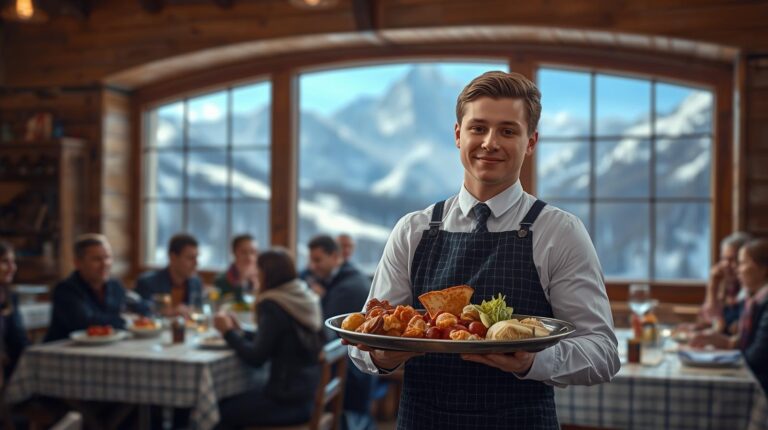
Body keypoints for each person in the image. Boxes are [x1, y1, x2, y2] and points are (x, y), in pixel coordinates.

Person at [349, 71, 619, 429]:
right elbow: (362, 340)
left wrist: (530, 362)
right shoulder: (413, 230)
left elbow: (602, 352)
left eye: (508, 131)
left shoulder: (558, 231)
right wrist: (383, 355)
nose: (490, 142)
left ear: (531, 141)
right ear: (458, 135)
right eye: (478, 128)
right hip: (422, 421)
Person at [214, 248, 325, 429]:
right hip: (306, 397)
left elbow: (256, 358)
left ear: (267, 274)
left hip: (285, 402)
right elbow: (279, 338)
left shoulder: (272, 304)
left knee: (219, 410)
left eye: (258, 269)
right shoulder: (301, 295)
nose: (255, 274)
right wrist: (240, 331)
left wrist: (227, 333)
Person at [305, 235, 375, 430]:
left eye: (318, 260)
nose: (313, 266)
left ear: (335, 256)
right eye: (311, 260)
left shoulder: (347, 288)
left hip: (354, 371)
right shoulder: (345, 276)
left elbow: (327, 335)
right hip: (356, 365)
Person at [691, 238, 768, 394]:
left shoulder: (761, 303)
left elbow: (755, 359)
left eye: (743, 263)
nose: (737, 269)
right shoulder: (752, 300)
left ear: (764, 269)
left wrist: (728, 344)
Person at [44, 234, 134, 342]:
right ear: (78, 263)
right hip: (65, 353)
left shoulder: (115, 285)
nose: (105, 264)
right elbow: (85, 322)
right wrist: (123, 320)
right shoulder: (65, 290)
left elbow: (135, 308)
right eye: (97, 259)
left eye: (107, 257)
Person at [136, 233, 203, 316]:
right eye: (190, 258)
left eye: (196, 257)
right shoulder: (147, 282)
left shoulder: (196, 282)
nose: (196, 263)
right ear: (173, 257)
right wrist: (167, 312)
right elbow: (139, 310)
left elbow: (199, 311)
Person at [698, 232, 752, 334]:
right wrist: (712, 287)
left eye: (732, 259)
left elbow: (729, 329)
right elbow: (708, 320)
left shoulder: (751, 290)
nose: (726, 265)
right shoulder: (726, 287)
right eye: (724, 259)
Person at [0, 241, 28, 378]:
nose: (12, 268)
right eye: (5, 262)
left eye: (13, 262)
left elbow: (18, 337)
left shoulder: (10, 297)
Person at [214, 234, 259, 303]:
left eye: (253, 252)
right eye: (244, 252)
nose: (249, 257)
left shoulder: (260, 278)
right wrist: (242, 281)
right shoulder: (221, 280)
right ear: (234, 252)